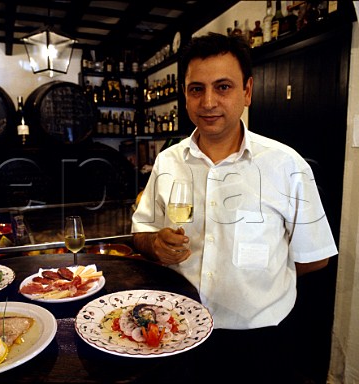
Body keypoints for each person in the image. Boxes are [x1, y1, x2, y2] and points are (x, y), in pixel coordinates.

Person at [131, 32, 338, 383]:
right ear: (185, 94)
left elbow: (315, 257)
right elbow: (141, 232)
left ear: (247, 91)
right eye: (197, 89)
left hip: (258, 339)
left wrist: (260, 280)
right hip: (175, 328)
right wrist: (155, 244)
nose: (208, 101)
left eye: (223, 87)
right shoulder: (167, 162)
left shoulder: (286, 165)